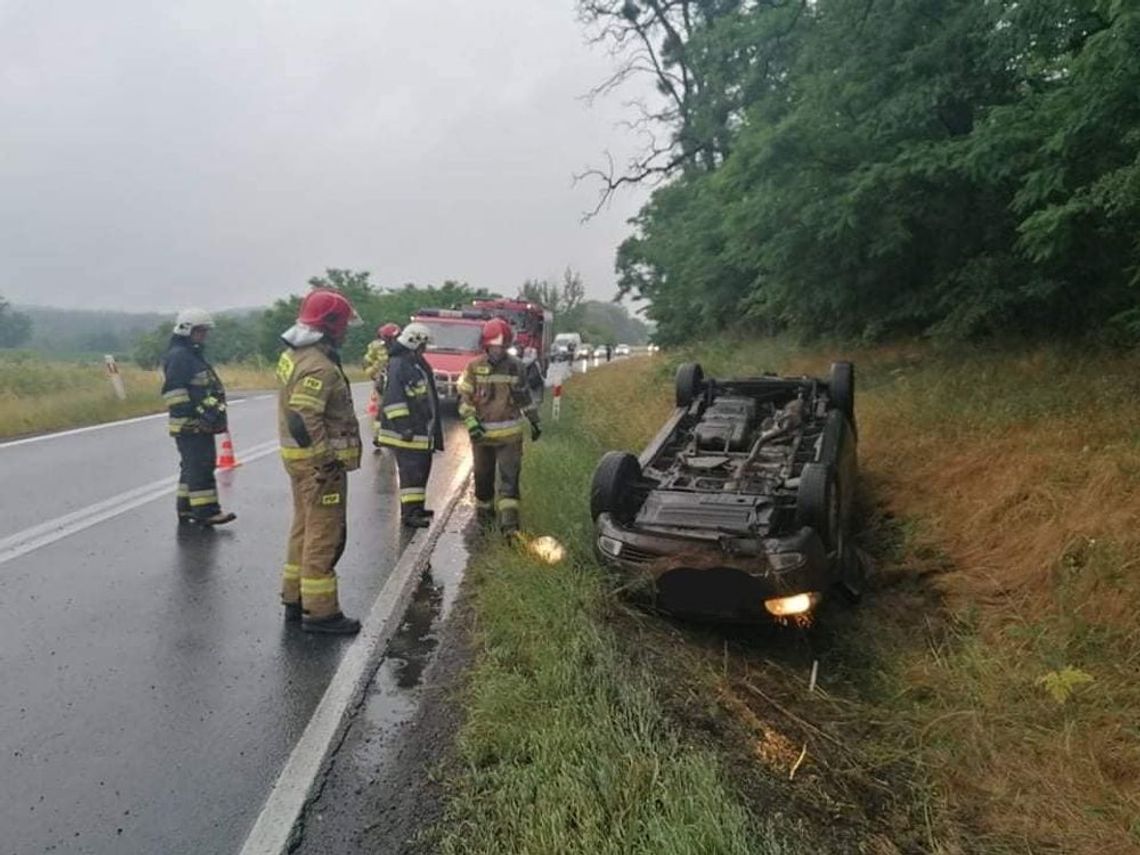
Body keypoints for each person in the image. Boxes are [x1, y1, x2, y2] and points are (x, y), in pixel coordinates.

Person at [276, 290, 364, 634]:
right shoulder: (320, 367)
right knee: (324, 535)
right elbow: (304, 415)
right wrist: (325, 460)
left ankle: (294, 598)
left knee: (303, 529)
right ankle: (321, 612)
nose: (346, 332)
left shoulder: (295, 355)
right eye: (343, 326)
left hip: (299, 464)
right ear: (330, 325)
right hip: (319, 468)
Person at [457, 318, 542, 534]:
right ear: (485, 345)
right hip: (481, 435)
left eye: (502, 347)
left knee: (509, 479)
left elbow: (524, 398)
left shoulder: (517, 367)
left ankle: (509, 527)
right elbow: (464, 398)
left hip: (509, 437)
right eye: (494, 346)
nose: (498, 351)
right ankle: (484, 519)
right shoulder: (473, 367)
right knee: (483, 478)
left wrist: (534, 421)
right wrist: (470, 420)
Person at [162, 308, 236, 527]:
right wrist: (192, 420)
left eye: (205, 331)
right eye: (200, 331)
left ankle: (186, 508)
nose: (204, 335)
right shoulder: (180, 357)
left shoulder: (189, 354)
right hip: (191, 425)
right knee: (201, 466)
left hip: (197, 423)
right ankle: (206, 511)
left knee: (191, 467)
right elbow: (174, 391)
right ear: (186, 330)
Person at [377, 322, 443, 528]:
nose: (424, 350)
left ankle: (417, 508)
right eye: (423, 346)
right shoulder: (400, 364)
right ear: (414, 342)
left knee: (420, 470)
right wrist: (404, 425)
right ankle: (409, 515)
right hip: (407, 432)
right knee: (411, 472)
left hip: (418, 429)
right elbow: (394, 398)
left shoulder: (412, 362)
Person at [363, 323, 401, 447]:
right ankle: (378, 436)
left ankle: (396, 433)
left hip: (398, 381)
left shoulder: (402, 346)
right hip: (381, 382)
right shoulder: (376, 346)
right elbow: (366, 362)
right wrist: (374, 374)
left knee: (397, 408)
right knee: (380, 409)